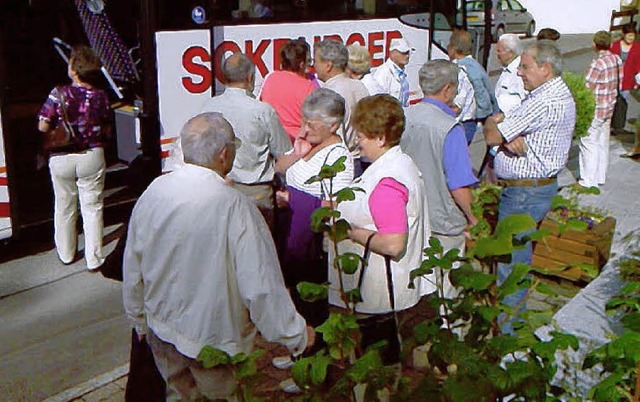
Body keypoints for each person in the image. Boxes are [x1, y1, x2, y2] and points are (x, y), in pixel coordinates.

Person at [122, 112, 314, 400]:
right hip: (213, 341)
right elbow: (261, 287)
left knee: (178, 395)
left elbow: (133, 264)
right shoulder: (234, 207)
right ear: (224, 154)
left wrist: (138, 318)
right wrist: (296, 336)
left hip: (162, 329)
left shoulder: (155, 191)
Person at [328, 94, 431, 364]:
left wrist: (348, 230)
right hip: (379, 291)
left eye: (361, 137)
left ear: (381, 138)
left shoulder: (388, 180)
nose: (357, 143)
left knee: (375, 362)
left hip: (376, 290)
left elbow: (393, 243)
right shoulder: (397, 164)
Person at [483, 40, 576, 331]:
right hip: (532, 188)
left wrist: (493, 121)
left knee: (511, 266)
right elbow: (503, 132)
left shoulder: (543, 101)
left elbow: (491, 136)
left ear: (545, 69)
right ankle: (513, 325)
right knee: (517, 261)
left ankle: (508, 338)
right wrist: (503, 129)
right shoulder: (549, 93)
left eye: (525, 67)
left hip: (524, 192)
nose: (519, 72)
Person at [272, 89, 354, 382]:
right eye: (304, 121)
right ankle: (297, 352)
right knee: (295, 298)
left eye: (312, 124)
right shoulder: (307, 144)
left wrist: (292, 200)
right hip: (292, 235)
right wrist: (296, 152)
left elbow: (336, 204)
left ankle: (310, 369)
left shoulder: (338, 156)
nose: (305, 129)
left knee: (312, 306)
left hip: (312, 244)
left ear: (333, 126)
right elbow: (279, 168)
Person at [400, 59, 478, 300]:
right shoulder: (450, 128)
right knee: (447, 289)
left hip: (408, 213)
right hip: (441, 221)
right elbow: (458, 184)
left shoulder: (404, 116)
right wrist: (472, 217)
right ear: (447, 89)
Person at [37, 45, 111, 270]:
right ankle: (94, 258)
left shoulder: (57, 93)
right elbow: (107, 127)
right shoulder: (100, 96)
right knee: (92, 206)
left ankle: (67, 253)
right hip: (91, 155)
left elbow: (42, 125)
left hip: (61, 157)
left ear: (74, 70)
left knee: (64, 205)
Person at [201, 53, 291, 228]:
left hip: (218, 188)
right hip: (256, 194)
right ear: (250, 77)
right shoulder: (263, 111)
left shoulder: (208, 107)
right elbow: (282, 151)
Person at [313, 39, 369, 176]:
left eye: (316, 61)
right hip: (361, 160)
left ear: (328, 65)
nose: (313, 66)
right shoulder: (359, 86)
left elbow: (330, 136)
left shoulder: (328, 94)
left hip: (340, 165)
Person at [579, 31, 623, 188]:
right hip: (609, 107)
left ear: (594, 45)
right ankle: (600, 176)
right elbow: (620, 81)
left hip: (596, 108)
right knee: (602, 142)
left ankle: (588, 180)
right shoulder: (616, 59)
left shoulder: (597, 64)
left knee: (588, 142)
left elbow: (586, 86)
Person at [259, 39, 316, 142]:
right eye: (309, 61)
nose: (310, 64)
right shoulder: (309, 87)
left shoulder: (270, 78)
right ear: (301, 64)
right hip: (298, 142)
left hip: (272, 139)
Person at [448, 29, 498, 144]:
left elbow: (467, 98)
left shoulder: (461, 69)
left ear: (453, 49)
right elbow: (489, 92)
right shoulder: (476, 66)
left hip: (463, 122)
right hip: (471, 122)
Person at [611, 23, 640, 152]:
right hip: (614, 78)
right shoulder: (616, 45)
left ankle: (619, 126)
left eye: (632, 36)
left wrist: (637, 81)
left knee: (623, 101)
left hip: (628, 79)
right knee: (613, 101)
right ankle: (613, 125)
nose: (631, 39)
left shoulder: (637, 48)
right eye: (629, 36)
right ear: (624, 34)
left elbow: (638, 65)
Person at [365, 38, 414, 106]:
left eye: (408, 52)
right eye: (403, 53)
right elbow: (378, 101)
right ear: (392, 53)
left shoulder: (402, 73)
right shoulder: (383, 73)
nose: (407, 56)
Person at [494, 34, 527, 115]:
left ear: (510, 53)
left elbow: (525, 100)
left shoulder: (519, 72)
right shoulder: (508, 69)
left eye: (499, 51)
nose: (497, 54)